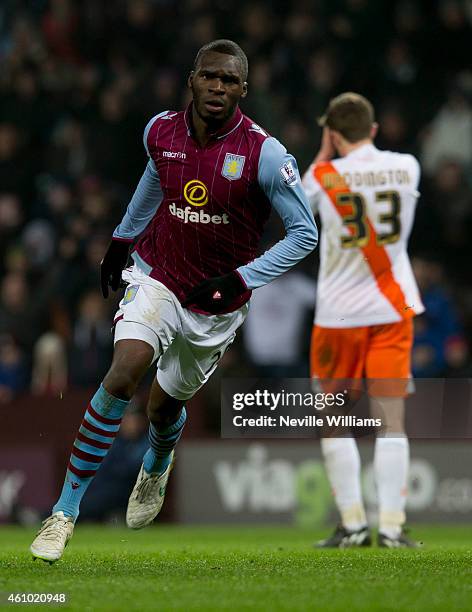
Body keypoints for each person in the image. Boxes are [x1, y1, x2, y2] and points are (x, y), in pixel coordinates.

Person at [30, 39, 318, 563]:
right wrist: (122, 240)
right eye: (210, 76)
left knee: (164, 407)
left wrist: (240, 280)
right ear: (193, 78)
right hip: (157, 275)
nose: (217, 87)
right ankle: (63, 513)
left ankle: (157, 464)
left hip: (214, 302)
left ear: (244, 90)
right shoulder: (159, 130)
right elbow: (154, 175)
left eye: (230, 81)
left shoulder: (265, 153)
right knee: (126, 370)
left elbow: (304, 234)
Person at [302, 92, 424, 548]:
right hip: (392, 310)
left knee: (334, 419)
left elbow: (300, 203)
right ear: (373, 129)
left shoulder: (322, 175)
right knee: (392, 419)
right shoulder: (407, 166)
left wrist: (323, 153)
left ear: (332, 134)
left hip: (336, 314)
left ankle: (353, 524)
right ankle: (392, 525)